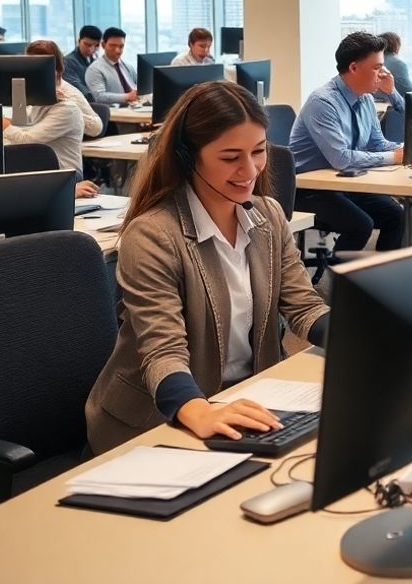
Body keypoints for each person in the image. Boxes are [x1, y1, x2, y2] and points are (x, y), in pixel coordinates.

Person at [84, 80, 329, 453]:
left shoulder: (268, 215)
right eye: (230, 157)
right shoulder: (153, 235)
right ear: (187, 157)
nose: (249, 170)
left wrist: (361, 339)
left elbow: (305, 307)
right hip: (157, 421)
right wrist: (199, 411)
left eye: (259, 151)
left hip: (246, 402)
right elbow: (162, 350)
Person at [290, 32, 406, 252]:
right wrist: (394, 157)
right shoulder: (323, 102)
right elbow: (341, 159)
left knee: (396, 215)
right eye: (377, 67)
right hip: (309, 190)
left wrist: (404, 150)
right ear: (353, 68)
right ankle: (336, 282)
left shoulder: (366, 99)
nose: (382, 73)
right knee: (360, 225)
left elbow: (377, 144)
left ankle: (383, 279)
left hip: (343, 184)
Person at [2, 40, 102, 197]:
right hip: (39, 173)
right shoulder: (38, 101)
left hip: (63, 176)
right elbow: (22, 122)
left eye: (37, 69)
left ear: (57, 72)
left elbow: (27, 139)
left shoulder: (67, 104)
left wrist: (3, 124)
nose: (30, 74)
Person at [85, 27, 140, 106]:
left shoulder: (128, 67)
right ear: (103, 45)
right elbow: (99, 96)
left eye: (121, 46)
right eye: (113, 46)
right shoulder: (95, 69)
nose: (117, 50)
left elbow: (139, 88)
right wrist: (127, 96)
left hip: (136, 107)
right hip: (116, 113)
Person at [64, 25, 101, 101]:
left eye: (96, 45)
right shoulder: (68, 62)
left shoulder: (94, 61)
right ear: (78, 41)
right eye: (88, 45)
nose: (91, 49)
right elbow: (77, 88)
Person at [377, 31, 412, 96]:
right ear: (396, 45)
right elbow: (409, 91)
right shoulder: (398, 63)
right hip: (395, 101)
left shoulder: (376, 60)